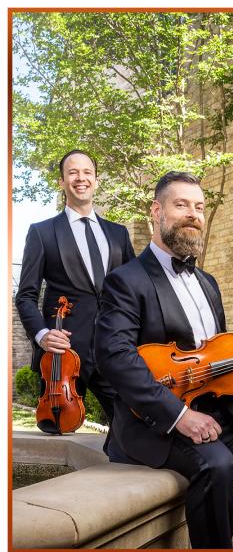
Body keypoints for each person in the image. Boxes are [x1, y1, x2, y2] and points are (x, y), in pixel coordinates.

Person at [95, 171, 233, 549]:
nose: (193, 213)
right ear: (157, 211)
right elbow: (114, 357)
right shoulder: (126, 280)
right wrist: (180, 416)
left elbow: (207, 359)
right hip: (158, 421)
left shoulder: (207, 282)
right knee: (217, 466)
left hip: (219, 415)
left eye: (200, 207)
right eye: (181, 205)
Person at [16, 149, 135, 439]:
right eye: (72, 173)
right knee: (56, 428)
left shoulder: (118, 234)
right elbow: (25, 295)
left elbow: (134, 293)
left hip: (112, 349)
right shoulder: (42, 232)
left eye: (87, 173)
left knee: (134, 431)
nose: (80, 178)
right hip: (64, 358)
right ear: (62, 182)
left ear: (96, 181)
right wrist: (42, 334)